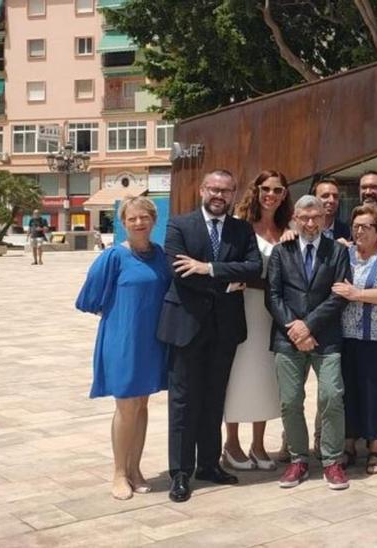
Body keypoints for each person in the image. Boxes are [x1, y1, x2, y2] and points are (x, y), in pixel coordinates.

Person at [157, 169, 263, 503]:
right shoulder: (179, 224)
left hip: (225, 329)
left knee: (214, 399)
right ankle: (180, 472)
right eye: (214, 189)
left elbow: (253, 267)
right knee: (184, 403)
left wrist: (210, 268)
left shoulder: (241, 229)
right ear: (203, 190)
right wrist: (228, 282)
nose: (219, 196)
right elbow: (179, 271)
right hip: (187, 326)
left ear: (234, 194)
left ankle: (208, 465)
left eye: (226, 191)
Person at [76, 196, 170, 500]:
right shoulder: (113, 256)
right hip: (123, 340)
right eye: (132, 219)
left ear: (154, 221)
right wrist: (119, 316)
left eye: (144, 217)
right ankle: (118, 472)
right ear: (123, 222)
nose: (139, 223)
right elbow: (88, 299)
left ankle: (135, 469)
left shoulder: (162, 256)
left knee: (142, 405)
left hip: (152, 341)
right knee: (126, 406)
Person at [268, 195, 352, 490]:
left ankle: (331, 461)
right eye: (304, 218)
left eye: (316, 217)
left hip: (325, 337)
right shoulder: (282, 251)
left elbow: (340, 294)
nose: (311, 223)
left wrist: (309, 326)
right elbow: (273, 296)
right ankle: (298, 459)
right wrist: (295, 329)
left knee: (331, 396)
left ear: (323, 217)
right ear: (295, 217)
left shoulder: (338, 251)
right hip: (288, 338)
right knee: (290, 402)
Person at [221, 171, 290, 472]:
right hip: (241, 309)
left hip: (271, 315)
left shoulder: (289, 229)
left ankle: (259, 443)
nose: (270, 195)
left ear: (285, 194)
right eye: (265, 189)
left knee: (264, 377)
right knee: (237, 376)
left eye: (277, 189)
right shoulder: (240, 227)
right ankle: (231, 442)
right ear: (256, 190)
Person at [335, 205, 377, 476]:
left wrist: (357, 293)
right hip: (346, 336)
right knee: (348, 391)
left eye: (366, 227)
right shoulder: (345, 254)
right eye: (356, 226)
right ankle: (349, 445)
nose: (359, 231)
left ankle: (375, 448)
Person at [311, 178, 352, 242]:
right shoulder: (303, 228)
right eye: (325, 196)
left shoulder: (347, 231)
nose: (331, 200)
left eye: (335, 196)